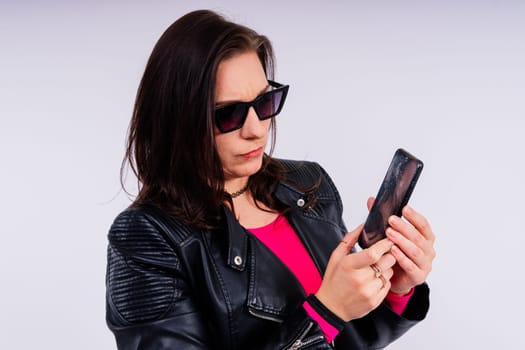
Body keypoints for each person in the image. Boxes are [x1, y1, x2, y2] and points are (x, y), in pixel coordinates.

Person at [105, 9, 436, 349]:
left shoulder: (308, 184)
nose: (256, 129)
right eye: (228, 114)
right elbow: (330, 320)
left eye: (265, 102)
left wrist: (395, 290)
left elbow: (352, 338)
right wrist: (326, 313)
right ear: (178, 118)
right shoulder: (147, 237)